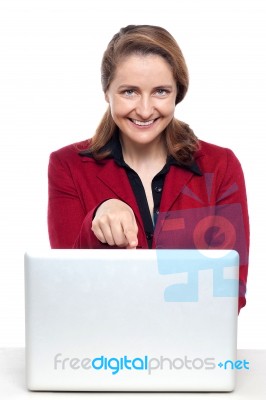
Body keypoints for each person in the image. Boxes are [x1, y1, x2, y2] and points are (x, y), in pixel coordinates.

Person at [48, 25, 249, 312]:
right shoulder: (67, 165)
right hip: (103, 348)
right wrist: (97, 217)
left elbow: (231, 290)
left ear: (177, 93)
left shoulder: (220, 166)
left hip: (190, 348)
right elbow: (64, 285)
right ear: (107, 92)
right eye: (129, 91)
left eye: (160, 92)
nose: (144, 110)